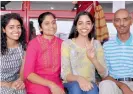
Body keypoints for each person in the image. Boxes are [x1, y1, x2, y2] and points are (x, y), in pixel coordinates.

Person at [61, 11, 108, 94]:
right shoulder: (67, 44)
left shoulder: (96, 44)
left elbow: (104, 74)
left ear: (92, 26)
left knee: (92, 90)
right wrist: (80, 79)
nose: (84, 26)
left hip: (90, 83)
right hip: (71, 83)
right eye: (80, 23)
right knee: (76, 88)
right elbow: (65, 74)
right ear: (76, 26)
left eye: (88, 23)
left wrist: (93, 59)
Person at [24, 12, 65, 94]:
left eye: (53, 23)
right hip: (37, 82)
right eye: (47, 23)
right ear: (40, 28)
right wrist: (51, 85)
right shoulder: (34, 44)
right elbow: (28, 74)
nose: (51, 26)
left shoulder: (62, 43)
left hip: (56, 82)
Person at [99, 9, 133, 94]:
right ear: (113, 23)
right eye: (118, 20)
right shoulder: (107, 46)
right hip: (115, 85)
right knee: (105, 84)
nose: (121, 24)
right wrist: (122, 85)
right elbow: (105, 75)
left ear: (131, 21)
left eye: (125, 19)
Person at [1, 13, 27, 94]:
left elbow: (22, 71)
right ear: (3, 29)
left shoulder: (22, 48)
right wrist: (8, 84)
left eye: (18, 27)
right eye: (11, 27)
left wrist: (20, 82)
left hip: (15, 82)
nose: (16, 30)